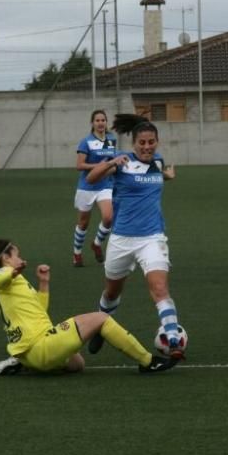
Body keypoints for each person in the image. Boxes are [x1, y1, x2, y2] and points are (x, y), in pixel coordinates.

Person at [0, 239, 179, 377]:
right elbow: (1, 278)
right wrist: (13, 272)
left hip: (34, 350)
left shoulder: (16, 282)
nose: (21, 258)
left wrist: (43, 283)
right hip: (39, 346)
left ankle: (22, 363)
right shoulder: (1, 277)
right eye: (16, 255)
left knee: (77, 364)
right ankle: (148, 361)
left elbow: (40, 309)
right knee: (101, 318)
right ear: (6, 258)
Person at [85, 113, 185, 358]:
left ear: (157, 142)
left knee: (159, 288)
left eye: (151, 142)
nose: (147, 147)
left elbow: (153, 176)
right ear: (134, 144)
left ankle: (173, 339)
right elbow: (91, 178)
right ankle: (100, 326)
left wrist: (167, 177)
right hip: (121, 239)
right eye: (142, 143)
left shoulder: (158, 162)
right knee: (112, 292)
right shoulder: (122, 161)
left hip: (152, 237)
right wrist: (110, 163)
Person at [72, 109, 117, 267]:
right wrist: (98, 166)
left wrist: (112, 167)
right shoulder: (86, 142)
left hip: (105, 185)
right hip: (87, 186)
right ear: (92, 123)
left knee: (108, 218)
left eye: (103, 120)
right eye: (97, 120)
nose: (100, 123)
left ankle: (97, 243)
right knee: (83, 223)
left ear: (106, 122)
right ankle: (77, 253)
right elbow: (79, 165)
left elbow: (112, 161)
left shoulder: (111, 139)